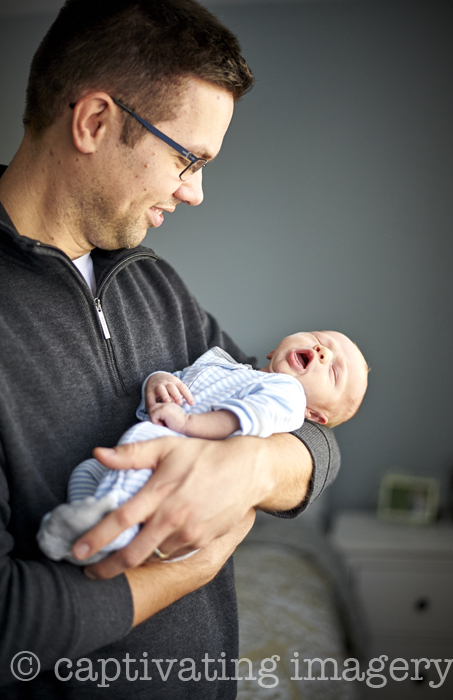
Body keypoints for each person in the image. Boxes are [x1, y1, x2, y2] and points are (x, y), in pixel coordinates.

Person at [0, 1, 341, 697]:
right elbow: (9, 620)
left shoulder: (152, 283)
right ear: (94, 122)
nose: (197, 192)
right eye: (189, 157)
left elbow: (310, 428)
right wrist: (191, 566)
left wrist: (251, 471)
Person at [38, 331, 368, 565]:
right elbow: (180, 381)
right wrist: (158, 381)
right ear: (272, 352)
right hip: (155, 447)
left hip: (181, 475)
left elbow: (241, 419)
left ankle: (107, 533)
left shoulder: (287, 394)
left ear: (312, 416)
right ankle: (88, 516)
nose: (324, 352)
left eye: (334, 371)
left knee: (134, 450)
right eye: (320, 339)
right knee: (89, 470)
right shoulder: (224, 365)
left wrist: (185, 424)